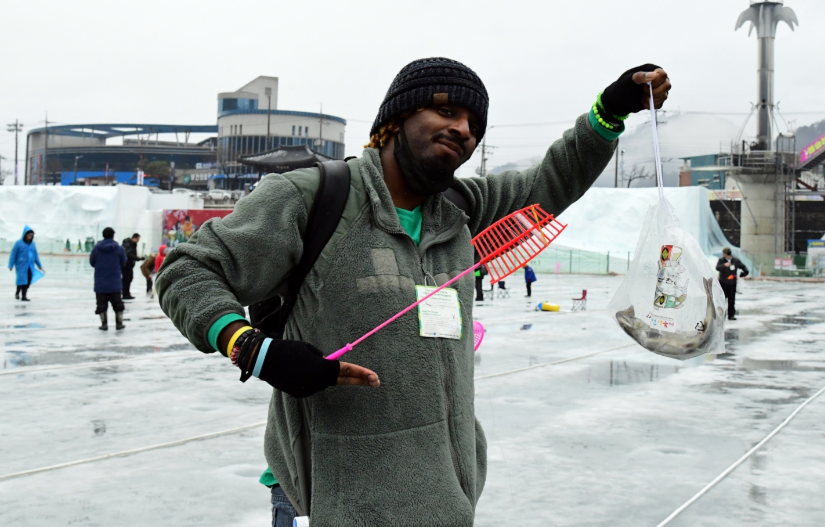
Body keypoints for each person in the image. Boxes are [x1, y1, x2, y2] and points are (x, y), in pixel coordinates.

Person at [157, 57, 671, 524]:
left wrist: (608, 113)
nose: (463, 129)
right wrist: (252, 348)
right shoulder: (312, 197)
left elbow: (552, 180)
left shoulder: (462, 209)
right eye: (445, 110)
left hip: (442, 501)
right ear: (394, 121)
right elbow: (187, 269)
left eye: (474, 125)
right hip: (328, 503)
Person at [90, 227, 127, 330]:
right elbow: (123, 262)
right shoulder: (119, 249)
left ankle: (104, 324)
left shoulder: (96, 249)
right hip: (115, 282)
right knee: (118, 304)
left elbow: (92, 262)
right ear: (113, 235)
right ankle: (119, 323)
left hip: (100, 282)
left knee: (101, 304)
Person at [8, 225, 43, 301]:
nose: (30, 236)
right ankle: (18, 293)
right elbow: (13, 254)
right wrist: (10, 265)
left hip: (30, 265)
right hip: (20, 265)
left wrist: (39, 265)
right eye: (29, 234)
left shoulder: (33, 244)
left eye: (31, 235)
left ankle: (24, 296)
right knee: (21, 280)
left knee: (28, 280)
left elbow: (35, 255)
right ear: (25, 234)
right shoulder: (18, 243)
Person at [715, 247, 749, 320]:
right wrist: (724, 265)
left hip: (732, 283)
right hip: (723, 283)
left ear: (725, 253)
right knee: (722, 300)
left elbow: (744, 267)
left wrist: (743, 273)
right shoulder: (721, 260)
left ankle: (731, 315)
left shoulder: (735, 261)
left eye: (723, 253)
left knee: (731, 300)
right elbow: (717, 268)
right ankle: (721, 315)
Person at [121, 233, 140, 299]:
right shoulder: (127, 244)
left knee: (129, 278)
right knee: (126, 279)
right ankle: (125, 294)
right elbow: (128, 254)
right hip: (126, 265)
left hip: (129, 264)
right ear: (134, 238)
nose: (138, 240)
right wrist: (137, 258)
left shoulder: (132, 244)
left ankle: (126, 293)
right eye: (138, 239)